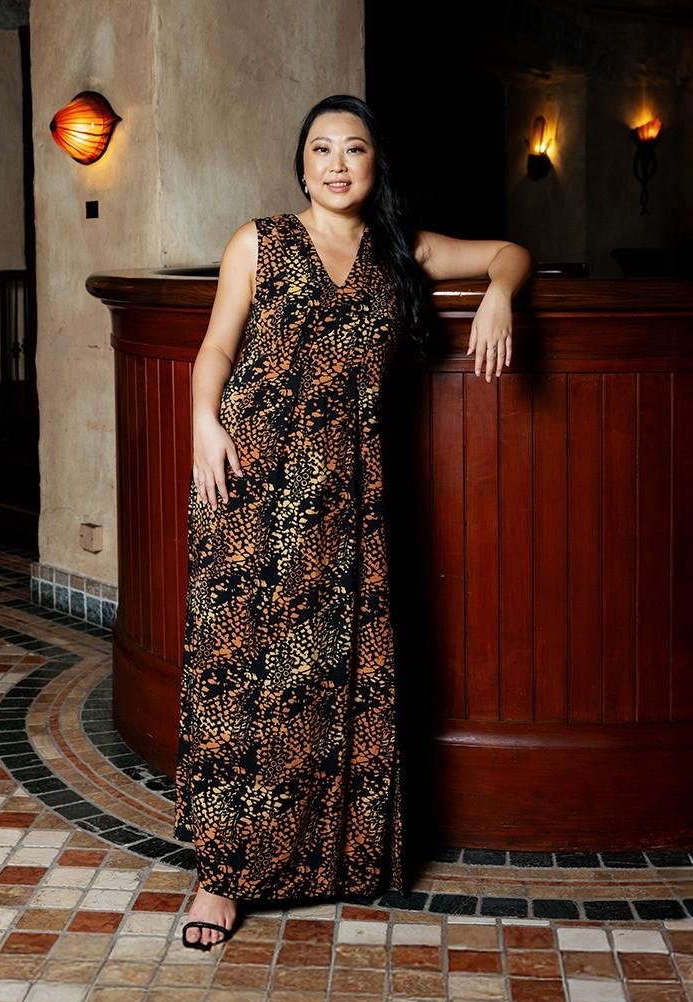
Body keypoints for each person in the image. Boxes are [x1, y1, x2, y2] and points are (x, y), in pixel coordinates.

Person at [173, 94, 534, 950]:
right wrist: (202, 419)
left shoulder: (401, 251)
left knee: (327, 675)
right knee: (239, 672)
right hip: (249, 472)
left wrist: (497, 298)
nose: (337, 163)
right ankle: (219, 874)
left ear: (376, 166)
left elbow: (511, 251)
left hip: (345, 494)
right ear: (301, 164)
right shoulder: (257, 240)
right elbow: (218, 346)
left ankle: (325, 856)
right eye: (321, 149)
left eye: (355, 149)